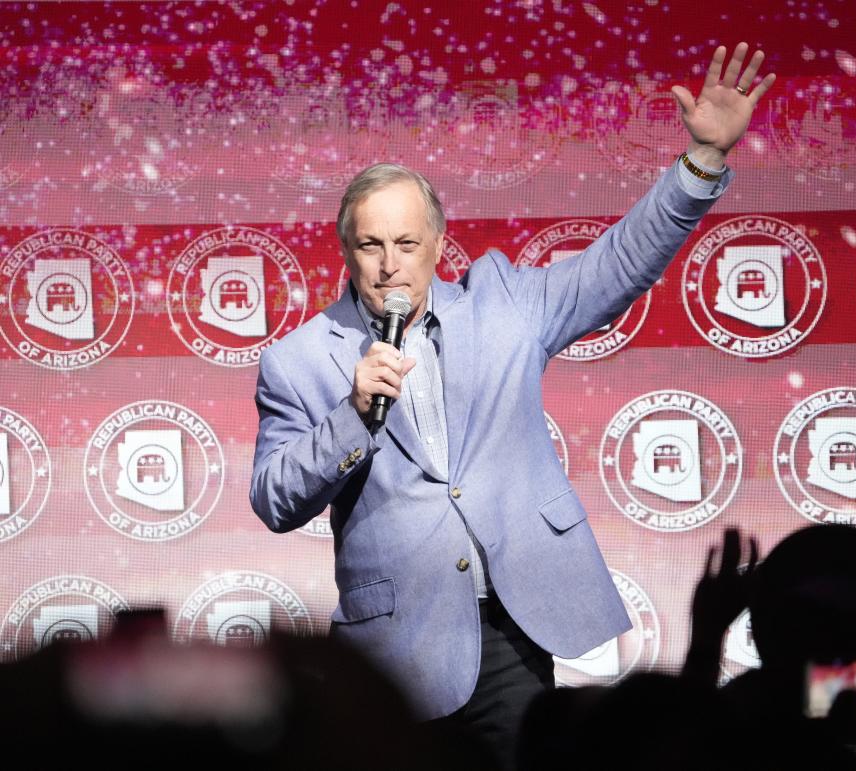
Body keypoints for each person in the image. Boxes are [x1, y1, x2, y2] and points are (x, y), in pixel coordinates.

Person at [250, 43, 775, 767]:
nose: (389, 263)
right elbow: (274, 499)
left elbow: (620, 261)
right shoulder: (301, 358)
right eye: (370, 244)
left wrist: (703, 161)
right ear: (345, 250)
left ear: (438, 244)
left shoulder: (506, 305)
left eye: (407, 242)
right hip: (395, 640)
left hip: (510, 622)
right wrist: (352, 415)